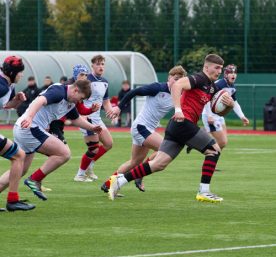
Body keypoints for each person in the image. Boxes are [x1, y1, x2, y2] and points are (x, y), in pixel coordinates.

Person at [108, 54, 235, 203]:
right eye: (216, 67)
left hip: (178, 126)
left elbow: (217, 112)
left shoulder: (212, 88)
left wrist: (230, 106)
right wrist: (178, 109)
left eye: (221, 68)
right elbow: (177, 85)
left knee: (158, 164)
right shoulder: (199, 78)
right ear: (206, 67)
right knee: (214, 150)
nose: (219, 71)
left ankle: (120, 181)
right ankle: (204, 191)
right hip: (182, 123)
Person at [11, 80, 102, 201]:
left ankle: (12, 198)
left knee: (19, 170)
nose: (80, 102)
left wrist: (92, 127)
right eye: (81, 98)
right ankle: (34, 179)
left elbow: (76, 119)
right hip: (29, 128)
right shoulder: (59, 91)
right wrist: (29, 116)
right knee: (64, 153)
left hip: (24, 128)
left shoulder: (70, 101)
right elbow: (40, 100)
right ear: (75, 90)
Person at [102, 65, 186, 193]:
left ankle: (108, 184)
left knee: (134, 162)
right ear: (169, 78)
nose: (177, 82)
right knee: (165, 148)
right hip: (141, 126)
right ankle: (140, 174)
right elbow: (133, 92)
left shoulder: (180, 94)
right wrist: (119, 108)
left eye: (180, 80)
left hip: (147, 129)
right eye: (175, 78)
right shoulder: (157, 88)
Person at [0, 56, 35, 211]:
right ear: (13, 72)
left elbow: (6, 105)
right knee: (19, 156)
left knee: (18, 156)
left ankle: (13, 200)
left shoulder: (9, 84)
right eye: (20, 72)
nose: (21, 75)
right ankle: (12, 201)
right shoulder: (2, 86)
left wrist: (17, 101)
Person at [74, 55, 114, 182]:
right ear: (92, 66)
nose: (101, 66)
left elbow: (106, 101)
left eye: (102, 64)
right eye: (98, 64)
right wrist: (81, 117)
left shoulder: (105, 82)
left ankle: (89, 165)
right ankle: (80, 174)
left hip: (97, 118)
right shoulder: (86, 80)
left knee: (108, 144)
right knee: (94, 148)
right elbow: (76, 96)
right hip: (86, 117)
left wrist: (111, 111)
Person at [49, 64, 99, 145]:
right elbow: (46, 101)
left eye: (86, 75)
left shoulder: (79, 89)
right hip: (52, 122)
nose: (84, 77)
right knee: (62, 151)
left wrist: (91, 110)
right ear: (75, 75)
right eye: (82, 74)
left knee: (60, 153)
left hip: (59, 123)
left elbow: (80, 110)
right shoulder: (66, 87)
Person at [202, 64, 249, 149]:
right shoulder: (218, 84)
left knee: (223, 143)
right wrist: (209, 115)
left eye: (235, 73)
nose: (233, 74)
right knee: (222, 142)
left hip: (219, 116)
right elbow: (206, 99)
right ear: (226, 74)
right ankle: (200, 145)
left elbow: (234, 103)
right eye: (230, 72)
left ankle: (200, 140)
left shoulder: (233, 87)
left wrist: (242, 116)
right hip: (210, 115)